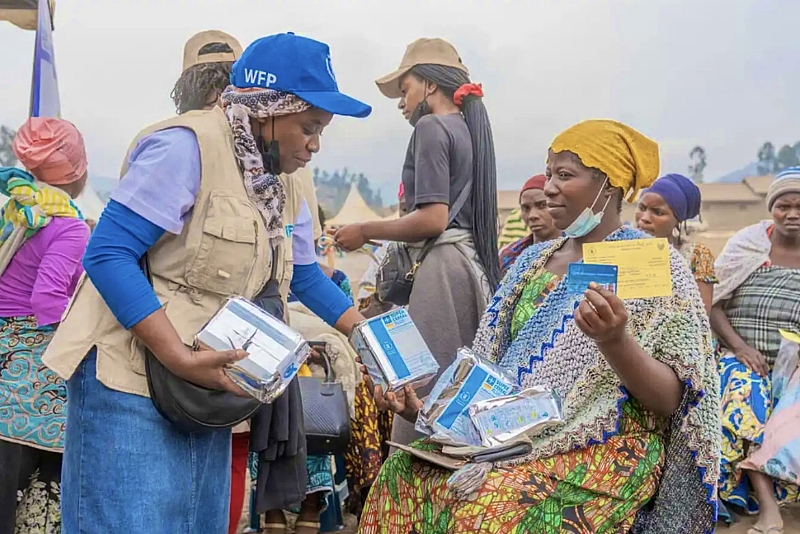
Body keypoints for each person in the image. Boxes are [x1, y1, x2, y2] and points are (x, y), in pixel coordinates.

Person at [42, 32, 371, 534]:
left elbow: (302, 275)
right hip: (130, 384)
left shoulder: (276, 179)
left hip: (201, 392)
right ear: (267, 110)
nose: (314, 144)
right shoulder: (185, 147)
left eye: (321, 130)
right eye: (308, 126)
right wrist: (179, 356)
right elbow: (108, 254)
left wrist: (372, 346)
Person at [358, 120, 720, 534]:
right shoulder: (531, 261)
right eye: (549, 173)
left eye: (564, 175)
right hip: (507, 435)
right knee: (401, 474)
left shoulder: (650, 262)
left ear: (611, 186)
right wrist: (425, 409)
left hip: (605, 444)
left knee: (487, 508)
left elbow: (673, 398)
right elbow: (489, 366)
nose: (548, 188)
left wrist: (615, 341)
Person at [334, 38, 498, 445]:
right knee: (455, 411)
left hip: (440, 275)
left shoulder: (431, 126)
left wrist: (364, 231)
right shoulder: (468, 130)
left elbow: (432, 218)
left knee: (419, 406)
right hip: (467, 272)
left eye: (404, 89)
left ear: (429, 86)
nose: (401, 102)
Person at [0, 118, 90, 534]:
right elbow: (46, 299)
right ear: (79, 171)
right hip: (28, 385)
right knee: (35, 496)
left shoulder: (16, 211)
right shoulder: (68, 226)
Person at [711, 168, 800, 534]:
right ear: (771, 208)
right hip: (741, 354)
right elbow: (714, 304)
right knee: (748, 394)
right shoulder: (747, 245)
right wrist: (740, 346)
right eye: (784, 205)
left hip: (793, 362)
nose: (792, 213)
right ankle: (767, 508)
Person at [635, 173, 717, 313]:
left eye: (658, 212)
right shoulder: (621, 251)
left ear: (678, 219)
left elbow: (701, 316)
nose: (644, 218)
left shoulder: (696, 256)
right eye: (642, 208)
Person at [499, 173, 561, 275]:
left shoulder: (576, 253)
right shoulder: (509, 257)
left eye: (542, 205)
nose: (532, 215)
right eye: (525, 208)